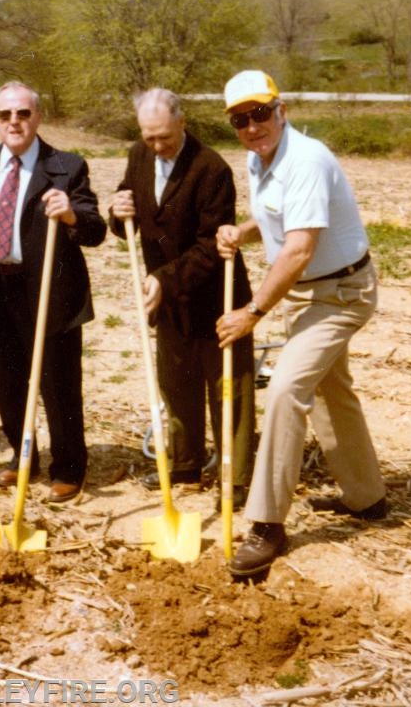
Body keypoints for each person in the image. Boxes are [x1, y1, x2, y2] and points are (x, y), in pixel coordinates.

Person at [215, 70, 387, 577]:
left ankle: (267, 523)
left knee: (288, 387)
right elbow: (279, 222)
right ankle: (368, 498)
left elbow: (299, 249)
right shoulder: (258, 157)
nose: (252, 126)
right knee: (333, 393)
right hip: (309, 294)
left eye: (260, 113)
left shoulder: (306, 159)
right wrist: (242, 230)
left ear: (281, 108)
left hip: (341, 294)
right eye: (240, 119)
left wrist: (251, 313)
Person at [108, 88, 256, 509]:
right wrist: (117, 212)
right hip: (169, 300)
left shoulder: (211, 169)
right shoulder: (140, 155)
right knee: (177, 384)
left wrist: (164, 280)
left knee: (228, 390)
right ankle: (186, 463)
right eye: (148, 137)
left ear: (182, 122)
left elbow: (212, 244)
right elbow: (130, 218)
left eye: (164, 138)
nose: (156, 146)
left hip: (215, 296)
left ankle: (237, 476)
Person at [0, 81, 106, 503]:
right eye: (6, 114)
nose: (14, 122)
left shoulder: (66, 166)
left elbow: (95, 230)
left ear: (37, 117)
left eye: (23, 113)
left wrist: (72, 215)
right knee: (7, 381)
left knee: (58, 382)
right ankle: (22, 454)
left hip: (49, 288)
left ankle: (68, 466)